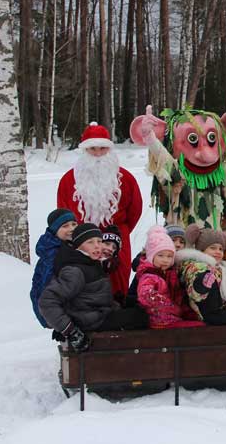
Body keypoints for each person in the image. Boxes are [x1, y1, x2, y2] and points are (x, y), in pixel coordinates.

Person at [57, 122, 143, 303]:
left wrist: (119, 232)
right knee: (84, 285)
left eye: (102, 148)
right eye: (92, 149)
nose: (97, 154)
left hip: (118, 240)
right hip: (81, 241)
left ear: (110, 150)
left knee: (118, 285)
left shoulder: (126, 179)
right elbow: (63, 212)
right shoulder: (68, 181)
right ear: (84, 151)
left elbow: (135, 211)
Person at [38, 224, 148, 352]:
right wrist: (69, 330)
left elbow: (92, 297)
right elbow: (47, 302)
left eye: (99, 241)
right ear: (78, 245)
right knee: (141, 317)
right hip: (88, 322)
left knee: (137, 308)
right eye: (90, 242)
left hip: (95, 315)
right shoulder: (75, 271)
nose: (97, 246)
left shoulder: (91, 263)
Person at [135, 226, 204, 329]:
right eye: (160, 255)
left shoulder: (170, 274)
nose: (165, 260)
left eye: (169, 256)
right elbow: (146, 296)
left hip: (172, 317)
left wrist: (188, 313)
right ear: (151, 256)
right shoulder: (149, 275)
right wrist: (172, 308)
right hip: (158, 319)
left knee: (200, 325)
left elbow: (178, 297)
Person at [30, 208, 77, 327]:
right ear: (54, 231)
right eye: (65, 226)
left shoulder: (74, 246)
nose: (71, 228)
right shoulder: (52, 255)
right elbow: (44, 289)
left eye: (74, 224)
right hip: (62, 314)